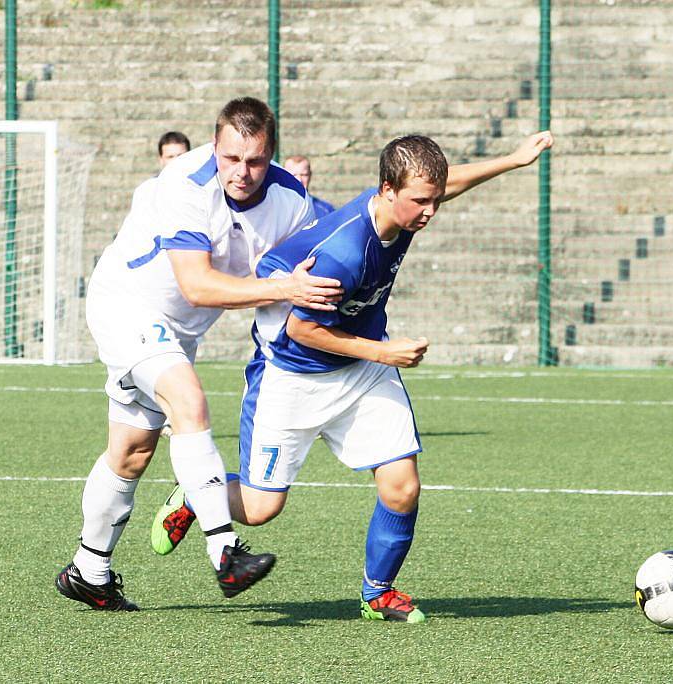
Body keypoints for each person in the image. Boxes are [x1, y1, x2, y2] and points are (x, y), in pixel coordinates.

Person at [152, 130, 554, 622]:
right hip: (292, 375)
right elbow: (303, 330)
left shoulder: (402, 207)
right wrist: (384, 352)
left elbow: (446, 185)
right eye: (420, 202)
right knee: (260, 509)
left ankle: (377, 591)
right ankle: (200, 489)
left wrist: (513, 161)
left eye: (433, 200)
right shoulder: (343, 252)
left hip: (359, 370)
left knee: (402, 486)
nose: (429, 212)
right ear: (387, 191)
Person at [55, 97, 344, 611]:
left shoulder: (291, 199)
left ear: (271, 154)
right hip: (127, 304)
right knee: (190, 402)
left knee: (132, 451)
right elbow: (197, 285)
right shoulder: (184, 184)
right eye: (231, 158)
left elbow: (336, 243)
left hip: (178, 330)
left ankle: (88, 570)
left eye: (255, 161)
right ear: (215, 147)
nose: (242, 172)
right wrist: (285, 289)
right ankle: (225, 552)